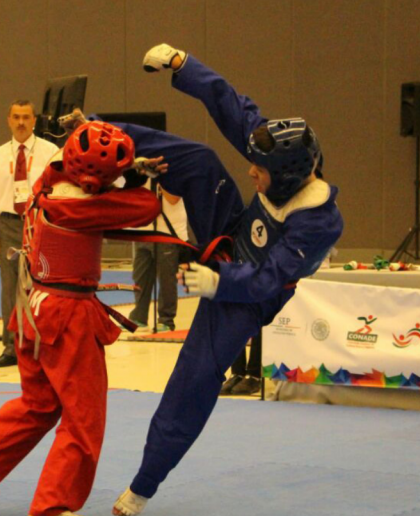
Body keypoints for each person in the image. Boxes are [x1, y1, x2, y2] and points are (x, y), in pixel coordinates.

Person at [110, 44, 344, 515]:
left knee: (195, 379)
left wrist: (217, 283)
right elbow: (231, 104)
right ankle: (96, 133)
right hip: (230, 235)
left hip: (249, 297)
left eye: (258, 171)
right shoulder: (277, 157)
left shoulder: (320, 222)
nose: (250, 170)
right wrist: (182, 64)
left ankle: (141, 488)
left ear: (287, 178)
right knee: (200, 158)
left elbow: (269, 278)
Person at [0, 121, 162, 516]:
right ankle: (52, 508)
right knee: (83, 419)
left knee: (37, 405)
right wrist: (140, 178)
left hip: (33, 308)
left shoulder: (45, 184)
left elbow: (70, 169)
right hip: (67, 317)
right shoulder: (79, 207)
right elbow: (146, 208)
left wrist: (126, 169)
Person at [0, 100, 59, 368]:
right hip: (9, 224)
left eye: (26, 117)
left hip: (40, 222)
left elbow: (58, 189)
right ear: (8, 119)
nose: (20, 122)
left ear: (34, 120)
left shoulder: (51, 151)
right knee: (10, 288)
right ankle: (11, 347)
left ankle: (42, 344)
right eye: (16, 117)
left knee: (42, 285)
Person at [129, 183, 188, 332]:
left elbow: (174, 198)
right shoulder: (142, 170)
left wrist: (160, 178)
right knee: (140, 276)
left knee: (167, 279)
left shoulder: (173, 170)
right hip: (145, 229)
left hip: (168, 232)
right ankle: (139, 317)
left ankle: (166, 320)